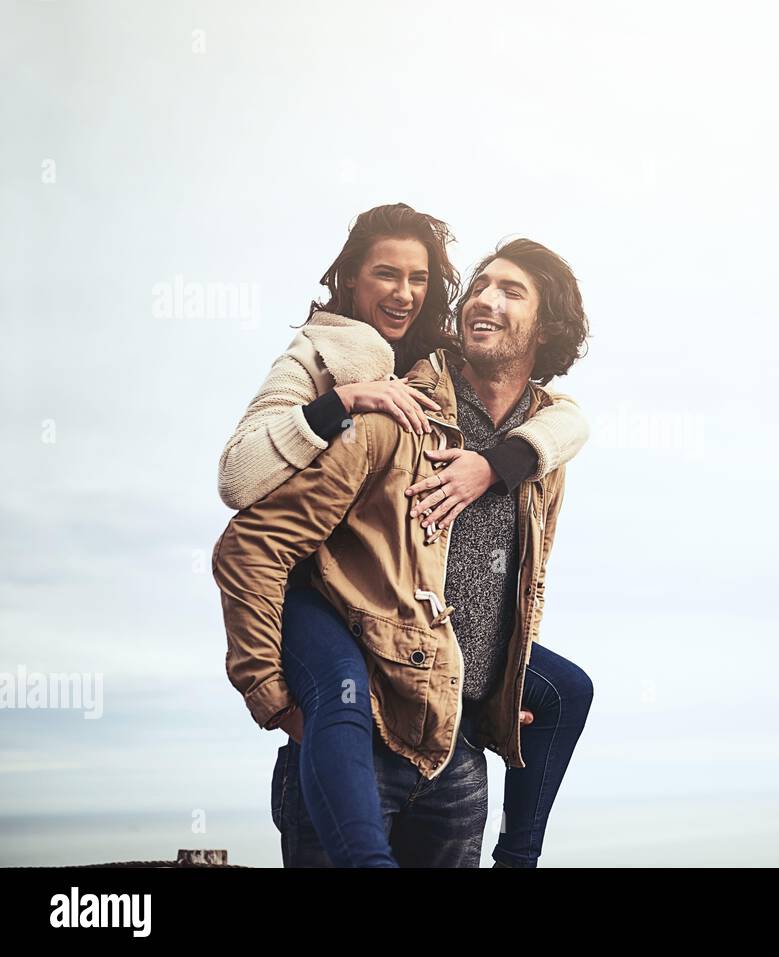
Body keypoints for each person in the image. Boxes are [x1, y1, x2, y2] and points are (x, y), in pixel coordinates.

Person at [214, 205, 592, 866]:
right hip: (355, 725)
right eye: (480, 285)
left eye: (511, 290)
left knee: (566, 688)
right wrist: (275, 701)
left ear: (546, 325)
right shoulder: (384, 404)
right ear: (353, 281)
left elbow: (521, 582)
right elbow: (244, 517)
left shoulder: (539, 457)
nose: (485, 298)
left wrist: (496, 691)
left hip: (454, 748)